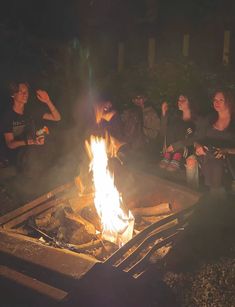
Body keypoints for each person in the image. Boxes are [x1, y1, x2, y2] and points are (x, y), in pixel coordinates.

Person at [0, 81, 61, 175]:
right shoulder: (7, 116)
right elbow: (10, 144)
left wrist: (48, 101)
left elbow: (56, 118)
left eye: (26, 92)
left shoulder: (30, 110)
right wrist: (31, 141)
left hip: (32, 157)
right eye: (21, 92)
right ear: (13, 94)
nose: (25, 95)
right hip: (15, 160)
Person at [194, 89, 235, 198]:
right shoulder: (210, 119)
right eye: (215, 100)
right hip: (208, 154)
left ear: (229, 102)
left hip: (229, 157)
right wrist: (198, 146)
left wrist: (226, 150)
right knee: (212, 159)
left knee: (216, 163)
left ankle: (215, 196)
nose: (216, 102)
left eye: (221, 100)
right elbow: (197, 139)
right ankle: (216, 196)